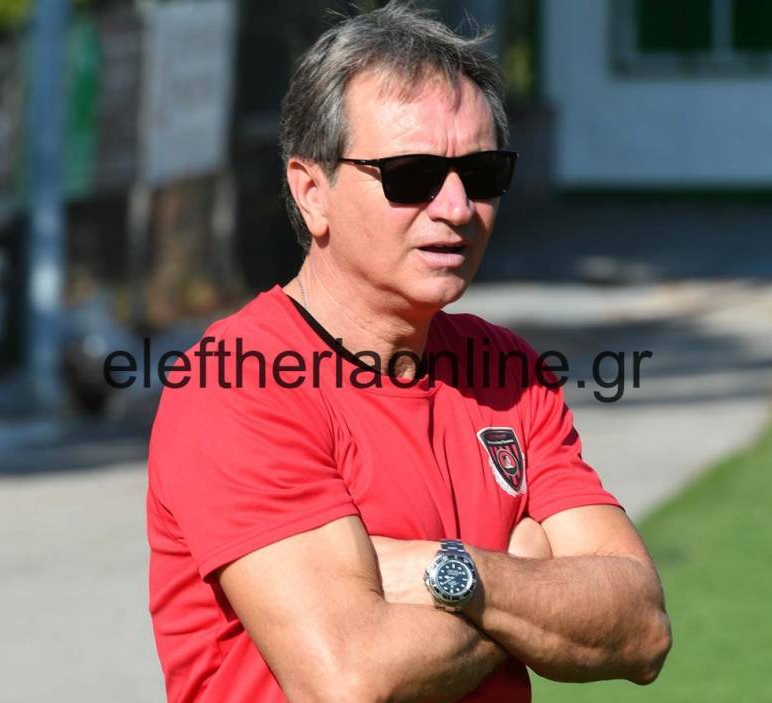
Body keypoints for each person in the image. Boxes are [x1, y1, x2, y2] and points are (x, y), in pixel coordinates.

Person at [147, 3, 671, 701]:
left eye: (482, 173)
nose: (456, 207)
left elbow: (641, 627)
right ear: (312, 193)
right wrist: (528, 578)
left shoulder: (508, 372)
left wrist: (444, 571)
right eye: (412, 174)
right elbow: (352, 678)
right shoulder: (240, 382)